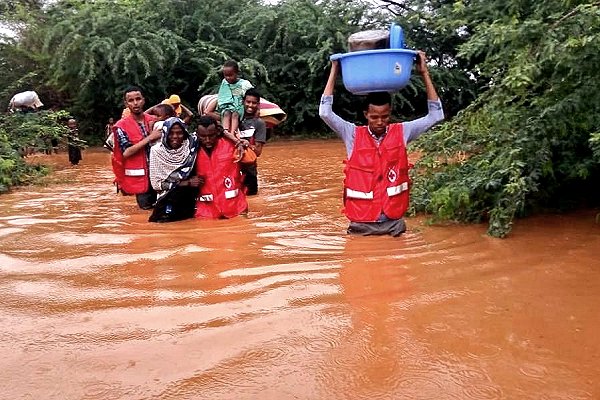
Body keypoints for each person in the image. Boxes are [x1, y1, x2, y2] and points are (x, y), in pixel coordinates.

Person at [319, 51, 444, 237]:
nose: (380, 122)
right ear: (365, 115)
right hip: (361, 223)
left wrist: (424, 73)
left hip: (393, 222)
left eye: (385, 117)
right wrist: (335, 69)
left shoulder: (402, 131)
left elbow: (436, 115)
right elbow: (325, 113)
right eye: (374, 117)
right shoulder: (352, 134)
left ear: (390, 113)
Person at [112, 86, 161, 210]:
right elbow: (126, 153)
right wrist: (150, 138)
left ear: (143, 100)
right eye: (131, 100)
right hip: (141, 180)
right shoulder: (121, 126)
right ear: (126, 104)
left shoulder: (155, 121)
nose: (135, 103)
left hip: (161, 175)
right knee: (146, 212)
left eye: (138, 99)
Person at [194, 116, 248, 219]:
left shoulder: (233, 145)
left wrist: (244, 145)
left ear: (218, 132)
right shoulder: (191, 151)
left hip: (237, 209)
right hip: (206, 213)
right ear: (197, 134)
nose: (207, 140)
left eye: (211, 135)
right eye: (203, 136)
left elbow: (249, 165)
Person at [148, 117, 200, 223]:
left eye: (179, 133)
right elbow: (157, 185)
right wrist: (186, 183)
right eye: (171, 133)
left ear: (184, 133)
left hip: (188, 201)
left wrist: (238, 141)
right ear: (165, 133)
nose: (175, 137)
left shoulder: (192, 145)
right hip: (166, 201)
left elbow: (215, 130)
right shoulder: (156, 151)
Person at [238, 88, 267, 195]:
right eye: (248, 102)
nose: (250, 105)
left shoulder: (259, 124)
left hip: (249, 171)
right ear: (243, 102)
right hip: (232, 169)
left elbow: (258, 152)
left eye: (254, 103)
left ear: (258, 104)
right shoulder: (235, 119)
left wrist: (247, 145)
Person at [216, 60, 253, 136]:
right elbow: (222, 96)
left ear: (237, 73)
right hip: (227, 107)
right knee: (226, 113)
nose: (228, 78)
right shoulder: (224, 83)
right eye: (225, 75)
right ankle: (225, 131)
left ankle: (232, 133)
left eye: (230, 75)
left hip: (239, 107)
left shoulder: (244, 84)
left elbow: (252, 95)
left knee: (235, 114)